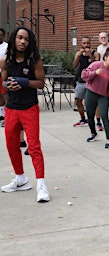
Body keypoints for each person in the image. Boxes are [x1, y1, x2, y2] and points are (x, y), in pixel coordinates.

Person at [0, 26, 51, 202]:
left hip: (29, 108)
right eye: (20, 38)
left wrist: (24, 82)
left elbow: (41, 83)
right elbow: (4, 82)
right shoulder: (5, 60)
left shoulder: (34, 60)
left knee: (34, 146)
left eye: (27, 39)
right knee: (11, 145)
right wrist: (9, 86)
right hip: (12, 108)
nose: (23, 42)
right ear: (14, 39)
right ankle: (21, 179)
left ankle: (41, 184)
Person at [81, 47, 109, 148]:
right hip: (91, 92)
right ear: (105, 58)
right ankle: (93, 133)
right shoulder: (96, 65)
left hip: (104, 96)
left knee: (104, 115)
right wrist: (95, 73)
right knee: (90, 115)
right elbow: (84, 75)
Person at [72, 36, 100, 128]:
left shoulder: (95, 53)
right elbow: (74, 66)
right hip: (81, 81)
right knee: (78, 100)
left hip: (92, 81)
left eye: (88, 43)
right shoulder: (78, 53)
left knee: (93, 102)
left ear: (90, 43)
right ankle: (83, 119)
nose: (86, 45)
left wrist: (89, 55)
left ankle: (98, 121)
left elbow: (95, 65)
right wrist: (78, 56)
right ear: (81, 43)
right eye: (84, 43)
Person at [0, 28, 7, 127]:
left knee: (5, 95)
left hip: (3, 74)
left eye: (1, 35)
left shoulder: (7, 46)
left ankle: (7, 116)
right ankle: (1, 115)